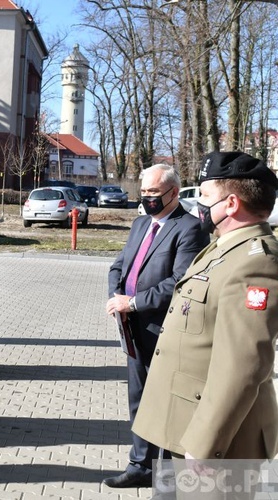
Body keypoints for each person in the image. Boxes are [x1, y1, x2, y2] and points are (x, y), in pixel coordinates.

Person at [134, 152, 278, 462]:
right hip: (185, 423)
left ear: (231, 204)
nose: (197, 203)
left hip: (217, 443)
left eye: (204, 195)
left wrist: (204, 444)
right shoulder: (223, 248)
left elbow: (242, 368)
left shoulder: (256, 264)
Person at [103, 164, 209, 488]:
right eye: (144, 192)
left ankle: (166, 476)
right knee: (138, 398)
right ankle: (140, 466)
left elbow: (180, 281)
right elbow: (119, 267)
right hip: (131, 326)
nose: (147, 198)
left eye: (153, 193)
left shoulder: (189, 228)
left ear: (174, 193)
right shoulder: (139, 224)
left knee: (163, 402)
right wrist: (116, 298)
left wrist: (133, 302)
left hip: (161, 330)